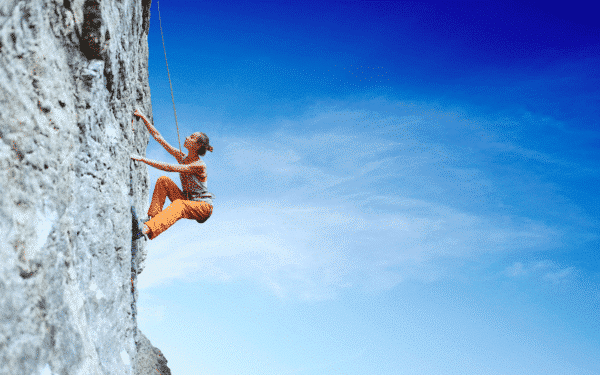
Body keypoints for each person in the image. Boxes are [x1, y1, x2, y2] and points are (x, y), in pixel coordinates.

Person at [130, 109, 214, 240]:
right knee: (163, 181)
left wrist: (142, 159)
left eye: (192, 137)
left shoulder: (200, 165)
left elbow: (170, 167)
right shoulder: (183, 157)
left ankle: (147, 229)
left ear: (198, 146)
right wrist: (143, 116)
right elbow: (159, 138)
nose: (187, 137)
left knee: (179, 205)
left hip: (203, 207)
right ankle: (153, 219)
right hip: (188, 200)